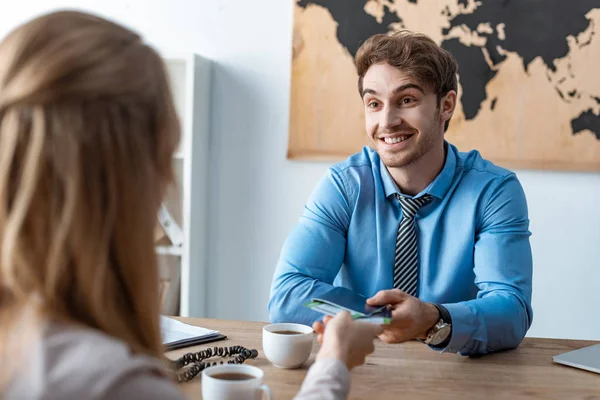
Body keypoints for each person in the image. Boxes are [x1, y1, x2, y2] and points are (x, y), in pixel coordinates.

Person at [0, 10, 379, 400]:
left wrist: (436, 317)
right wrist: (336, 355)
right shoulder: (110, 382)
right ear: (127, 181)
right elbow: (288, 297)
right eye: (164, 157)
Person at [269, 30, 534, 356]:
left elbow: (511, 310)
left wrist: (434, 320)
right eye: (374, 103)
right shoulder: (344, 184)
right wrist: (385, 318)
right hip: (362, 368)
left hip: (457, 375)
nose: (387, 121)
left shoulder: (494, 191)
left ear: (446, 105)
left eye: (406, 100)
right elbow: (288, 295)